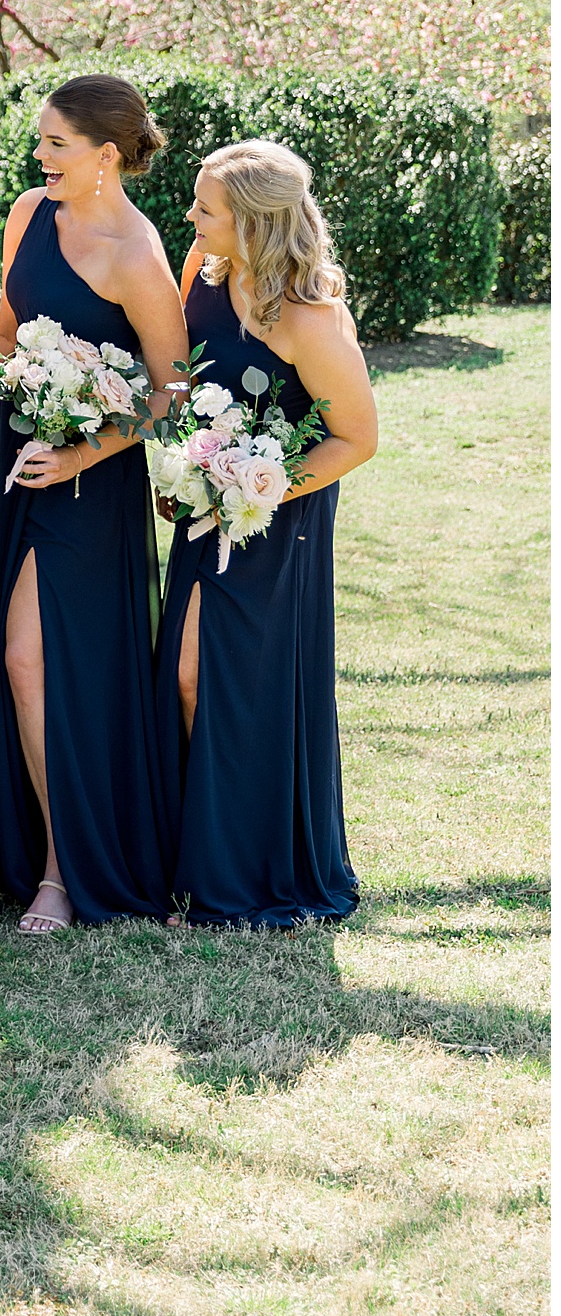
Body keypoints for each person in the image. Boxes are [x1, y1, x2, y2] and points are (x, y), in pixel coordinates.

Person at [0, 75, 186, 933]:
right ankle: (20, 850)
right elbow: (8, 337)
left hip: (90, 483)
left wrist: (81, 453)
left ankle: (64, 871)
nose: (39, 156)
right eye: (40, 140)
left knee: (33, 659)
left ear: (107, 156)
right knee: (15, 659)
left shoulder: (136, 253)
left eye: (56, 144)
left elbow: (172, 390)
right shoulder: (28, 214)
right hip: (16, 465)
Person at [157, 141, 376, 925]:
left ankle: (248, 871)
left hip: (277, 525)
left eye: (206, 208)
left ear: (254, 221)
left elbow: (356, 439)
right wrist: (185, 468)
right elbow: (189, 385)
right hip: (204, 506)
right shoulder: (203, 272)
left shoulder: (311, 318)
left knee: (235, 685)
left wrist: (259, 490)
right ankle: (201, 857)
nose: (190, 216)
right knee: (186, 676)